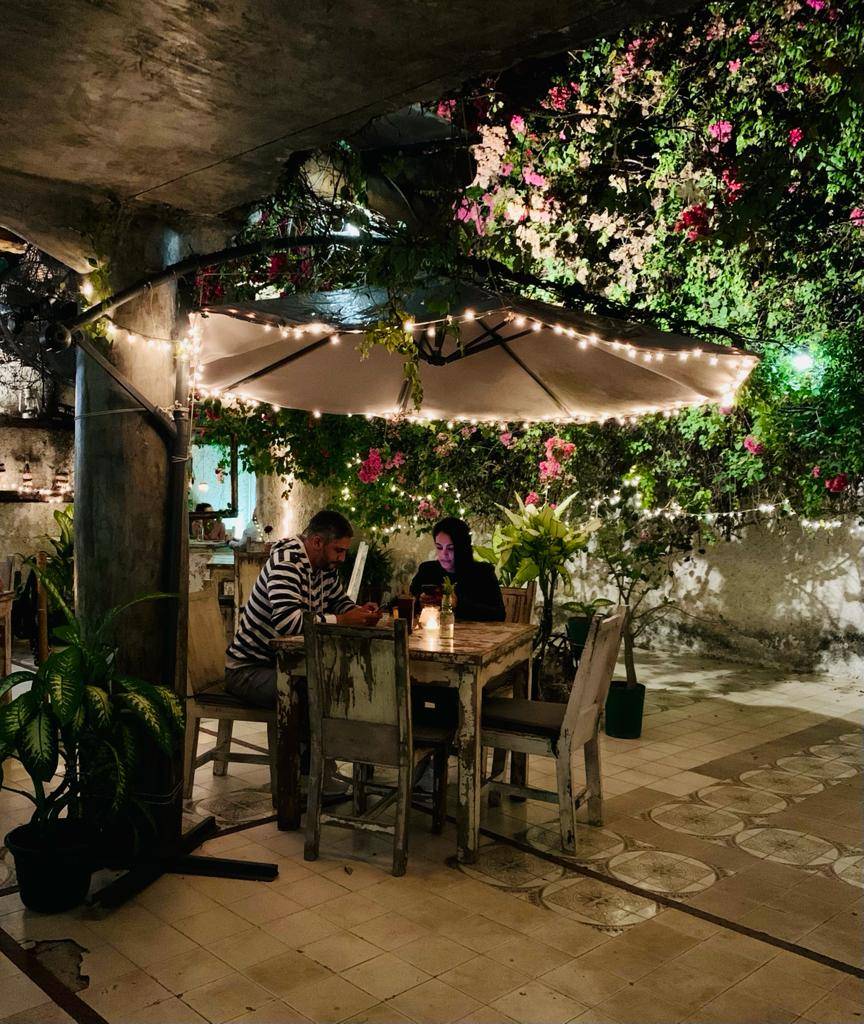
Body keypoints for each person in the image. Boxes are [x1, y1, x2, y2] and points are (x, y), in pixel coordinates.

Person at [225, 509, 379, 708]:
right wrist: (342, 620)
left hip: (285, 663)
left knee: (344, 683)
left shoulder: (325, 567)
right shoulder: (287, 563)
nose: (342, 558)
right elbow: (287, 623)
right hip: (249, 669)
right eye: (338, 550)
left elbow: (339, 602)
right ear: (317, 542)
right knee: (316, 694)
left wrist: (360, 612)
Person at [410, 516, 505, 621]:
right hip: (431, 629)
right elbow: (407, 601)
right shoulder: (428, 570)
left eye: (450, 548)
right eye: (439, 547)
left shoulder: (482, 573)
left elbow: (499, 614)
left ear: (462, 548)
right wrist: (420, 600)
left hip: (474, 631)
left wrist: (458, 604)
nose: (444, 554)